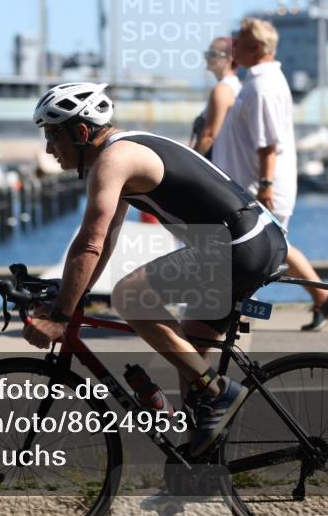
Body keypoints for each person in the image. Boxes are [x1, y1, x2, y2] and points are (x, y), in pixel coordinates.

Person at [23, 81, 288, 456]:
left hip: (239, 246)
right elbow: (106, 242)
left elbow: (90, 241)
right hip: (253, 239)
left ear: (81, 132)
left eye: (52, 136)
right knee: (188, 356)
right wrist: (69, 296)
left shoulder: (113, 161)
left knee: (131, 296)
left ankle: (219, 393)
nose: (48, 149)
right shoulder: (124, 151)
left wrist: (62, 314)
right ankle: (199, 467)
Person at [212, 18, 328, 331]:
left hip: (258, 189)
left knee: (256, 255)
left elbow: (268, 142)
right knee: (271, 251)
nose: (234, 48)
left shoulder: (262, 85)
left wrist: (266, 186)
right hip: (252, 187)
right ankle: (319, 300)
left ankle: (233, 316)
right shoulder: (259, 80)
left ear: (256, 47)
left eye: (239, 42)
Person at [191, 37, 240, 158]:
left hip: (218, 163)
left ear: (229, 58)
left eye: (213, 54)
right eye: (207, 53)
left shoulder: (223, 89)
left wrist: (190, 164)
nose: (208, 57)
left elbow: (209, 136)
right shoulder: (235, 86)